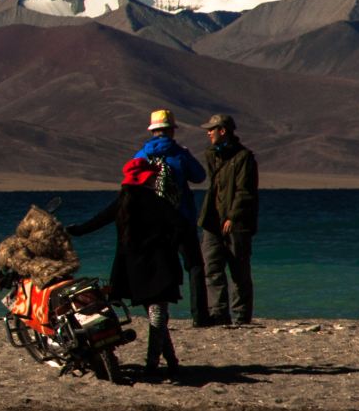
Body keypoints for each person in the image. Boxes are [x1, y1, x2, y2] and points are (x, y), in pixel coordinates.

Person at [66, 156, 195, 380]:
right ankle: (153, 365)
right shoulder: (157, 201)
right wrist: (171, 246)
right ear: (147, 179)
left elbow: (95, 223)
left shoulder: (122, 202)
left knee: (157, 316)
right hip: (159, 268)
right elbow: (182, 226)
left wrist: (73, 230)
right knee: (157, 317)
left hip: (134, 272)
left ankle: (172, 362)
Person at [135, 109, 211, 326]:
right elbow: (199, 176)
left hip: (154, 221)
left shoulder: (142, 155)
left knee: (158, 268)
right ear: (171, 131)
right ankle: (199, 316)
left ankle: (158, 316)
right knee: (195, 266)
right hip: (182, 218)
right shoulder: (180, 153)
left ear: (153, 131)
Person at [198, 114, 260, 326]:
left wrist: (233, 216)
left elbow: (245, 191)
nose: (208, 133)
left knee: (239, 270)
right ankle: (218, 313)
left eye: (211, 129)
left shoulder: (244, 158)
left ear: (222, 131)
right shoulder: (211, 155)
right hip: (212, 220)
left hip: (237, 223)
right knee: (212, 267)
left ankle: (241, 315)